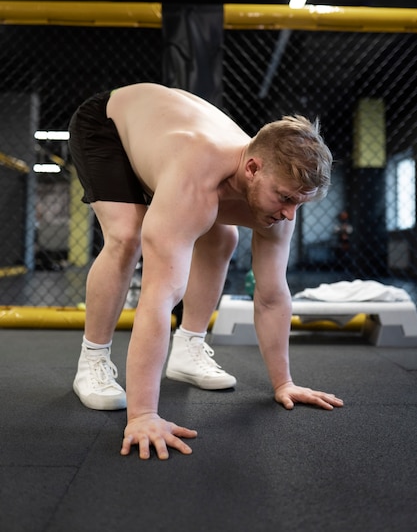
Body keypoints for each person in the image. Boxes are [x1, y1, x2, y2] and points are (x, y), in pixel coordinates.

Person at [68, 82, 344, 461]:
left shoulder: (273, 188)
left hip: (169, 138)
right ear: (252, 168)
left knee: (221, 237)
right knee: (126, 236)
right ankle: (93, 360)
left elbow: (271, 294)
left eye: (300, 203)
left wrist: (284, 382)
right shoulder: (195, 179)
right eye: (285, 199)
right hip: (110, 125)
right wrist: (144, 415)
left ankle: (188, 348)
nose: (289, 214)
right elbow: (159, 297)